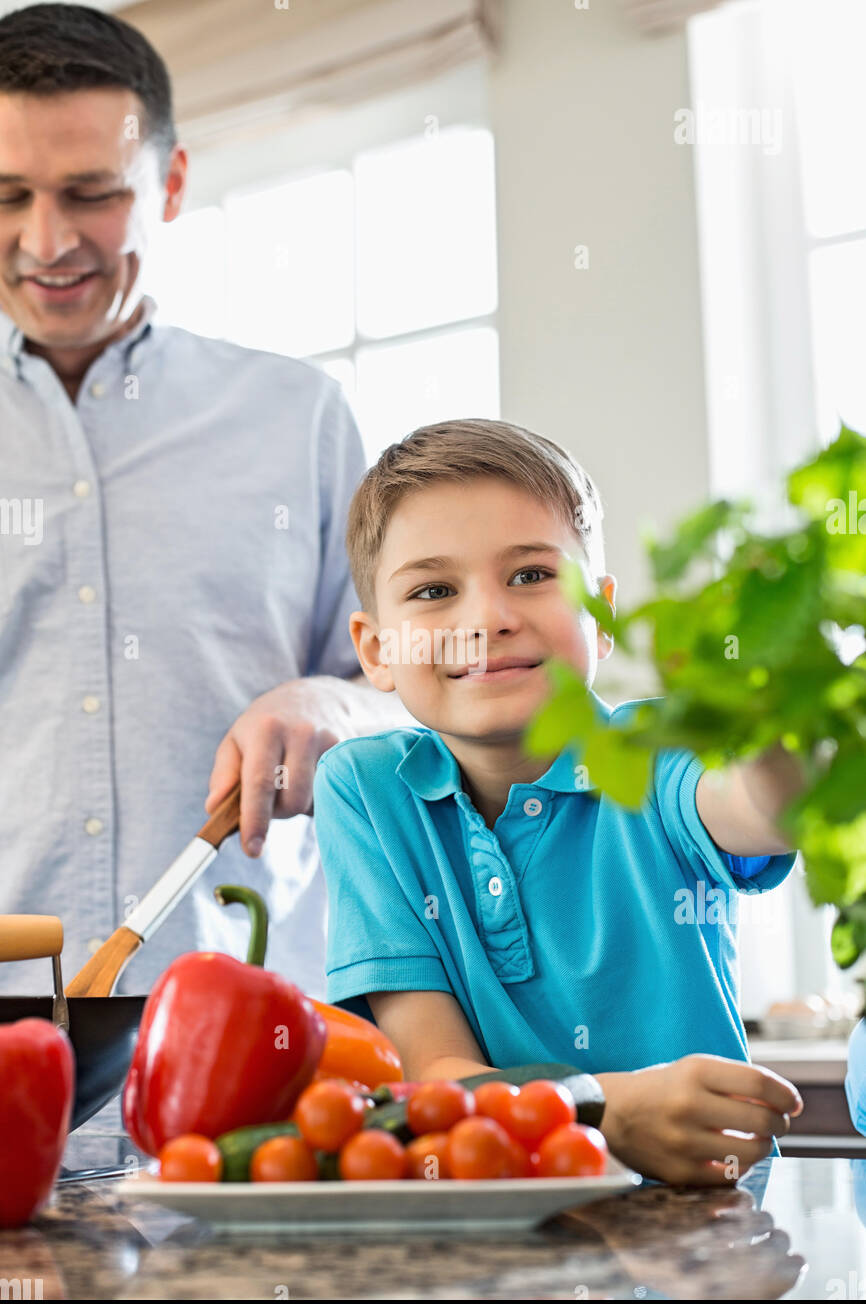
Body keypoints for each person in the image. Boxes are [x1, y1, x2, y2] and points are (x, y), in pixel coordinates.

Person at [0, 3, 406, 1001]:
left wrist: (331, 703)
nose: (45, 241)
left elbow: (416, 700)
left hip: (257, 1066)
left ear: (168, 184)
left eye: (90, 194)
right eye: (7, 195)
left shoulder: (297, 417)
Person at [312, 418, 806, 1185]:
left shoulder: (654, 753)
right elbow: (436, 1069)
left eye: (533, 575)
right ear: (377, 650)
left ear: (602, 616)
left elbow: (764, 807)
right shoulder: (364, 792)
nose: (488, 619)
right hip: (497, 1222)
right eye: (434, 590)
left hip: (705, 1212)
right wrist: (601, 1108)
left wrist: (785, 707)